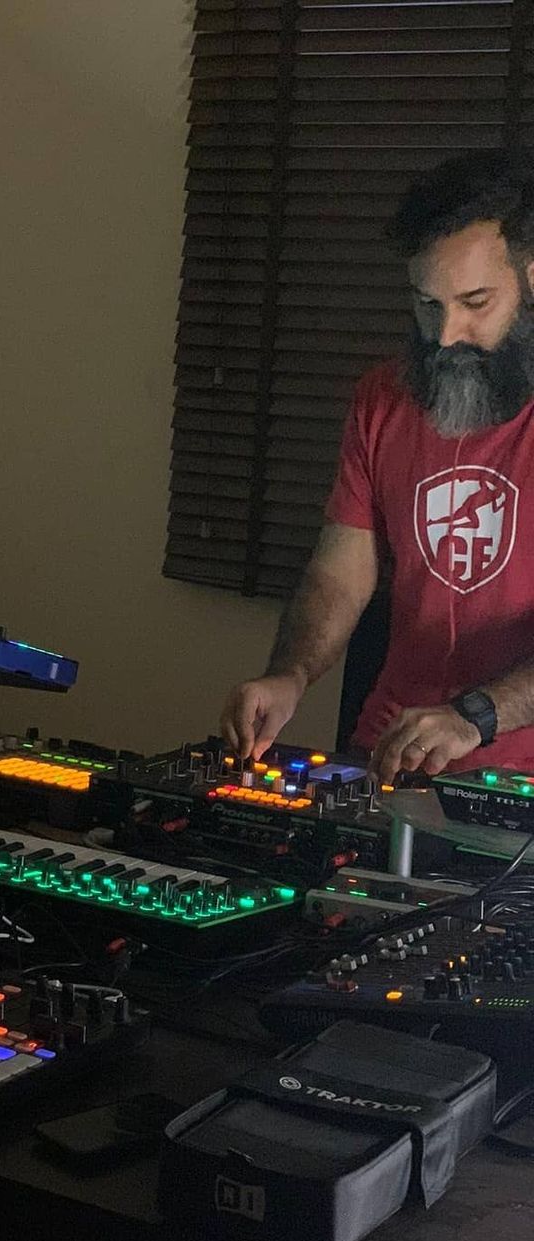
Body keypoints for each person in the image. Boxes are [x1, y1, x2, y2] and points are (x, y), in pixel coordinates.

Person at [221, 150, 534, 784]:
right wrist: (290, 674)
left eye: (475, 302)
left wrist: (474, 716)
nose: (445, 334)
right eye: (427, 304)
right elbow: (340, 574)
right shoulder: (381, 400)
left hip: (516, 778)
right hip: (388, 758)